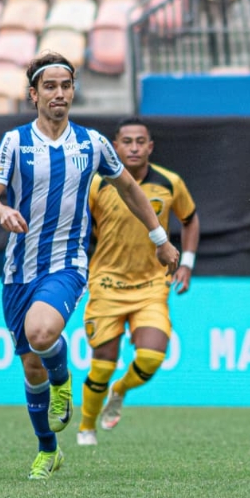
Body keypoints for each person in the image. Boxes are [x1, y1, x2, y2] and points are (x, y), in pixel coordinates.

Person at [0, 52, 179, 479]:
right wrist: (2, 212)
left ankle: (63, 382)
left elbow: (131, 190)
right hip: (19, 272)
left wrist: (160, 239)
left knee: (42, 331)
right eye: (49, 87)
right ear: (33, 94)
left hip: (68, 265)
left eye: (66, 86)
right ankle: (48, 450)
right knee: (31, 365)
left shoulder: (93, 143)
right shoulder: (15, 142)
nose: (59, 94)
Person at [77, 117, 200, 445]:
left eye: (140, 141)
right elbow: (78, 232)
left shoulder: (170, 182)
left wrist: (186, 262)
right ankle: (86, 426)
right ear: (115, 146)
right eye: (126, 141)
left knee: (151, 357)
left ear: (150, 147)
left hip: (150, 285)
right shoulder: (97, 183)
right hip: (106, 284)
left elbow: (189, 220)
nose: (133, 147)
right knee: (102, 365)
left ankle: (120, 390)